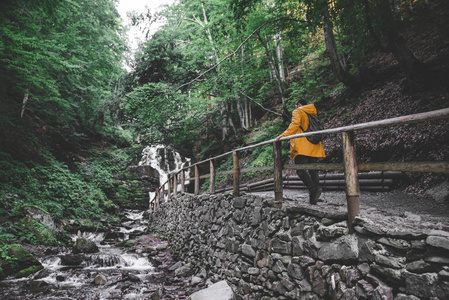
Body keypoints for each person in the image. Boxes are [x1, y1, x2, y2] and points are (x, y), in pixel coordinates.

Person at [275, 99, 326, 204]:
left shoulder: (298, 111)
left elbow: (295, 125)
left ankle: (313, 189)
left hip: (303, 145)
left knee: (300, 170)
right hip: (315, 145)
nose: (295, 107)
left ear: (299, 104)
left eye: (296, 105)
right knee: (313, 170)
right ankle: (315, 195)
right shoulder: (312, 112)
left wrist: (282, 136)